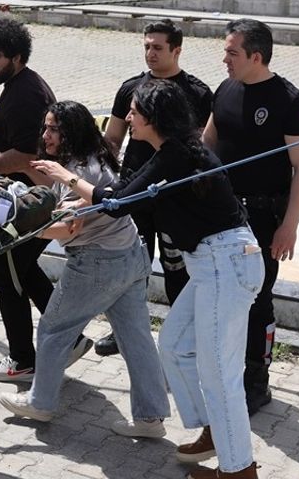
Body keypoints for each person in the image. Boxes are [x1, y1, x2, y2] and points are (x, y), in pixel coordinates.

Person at [57, 79, 264, 479]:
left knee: (220, 375)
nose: (128, 117)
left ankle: (239, 471)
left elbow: (117, 205)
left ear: (153, 116)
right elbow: (122, 191)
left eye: (134, 111)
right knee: (173, 346)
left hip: (227, 263)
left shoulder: (179, 156)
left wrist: (65, 177)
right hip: (211, 266)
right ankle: (217, 432)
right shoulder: (166, 152)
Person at [0, 101, 171, 439]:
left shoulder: (82, 171)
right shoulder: (93, 158)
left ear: (70, 132)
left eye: (52, 129)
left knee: (53, 327)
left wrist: (16, 227)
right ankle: (151, 418)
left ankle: (40, 402)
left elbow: (67, 230)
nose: (45, 135)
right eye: (45, 127)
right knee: (136, 338)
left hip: (98, 263)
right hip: (131, 257)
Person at [0, 18, 92, 383]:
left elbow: (24, 154)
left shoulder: (25, 93)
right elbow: (17, 131)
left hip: (27, 203)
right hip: (28, 200)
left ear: (18, 56)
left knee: (4, 274)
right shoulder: (21, 84)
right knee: (22, 271)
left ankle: (24, 361)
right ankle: (70, 339)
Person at [204, 18, 299, 415]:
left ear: (256, 56)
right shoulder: (226, 89)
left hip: (263, 219)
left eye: (232, 52)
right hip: (222, 214)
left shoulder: (291, 103)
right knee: (221, 295)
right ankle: (226, 369)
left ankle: (256, 380)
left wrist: (289, 227)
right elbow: (208, 145)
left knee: (257, 301)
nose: (224, 59)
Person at [96, 19, 213, 358]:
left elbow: (206, 147)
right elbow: (113, 140)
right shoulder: (129, 88)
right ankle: (125, 331)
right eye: (146, 46)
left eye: (158, 47)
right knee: (132, 267)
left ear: (177, 50)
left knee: (179, 271)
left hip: (177, 198)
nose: (150, 53)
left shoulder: (198, 93)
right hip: (135, 192)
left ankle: (182, 338)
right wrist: (105, 181)